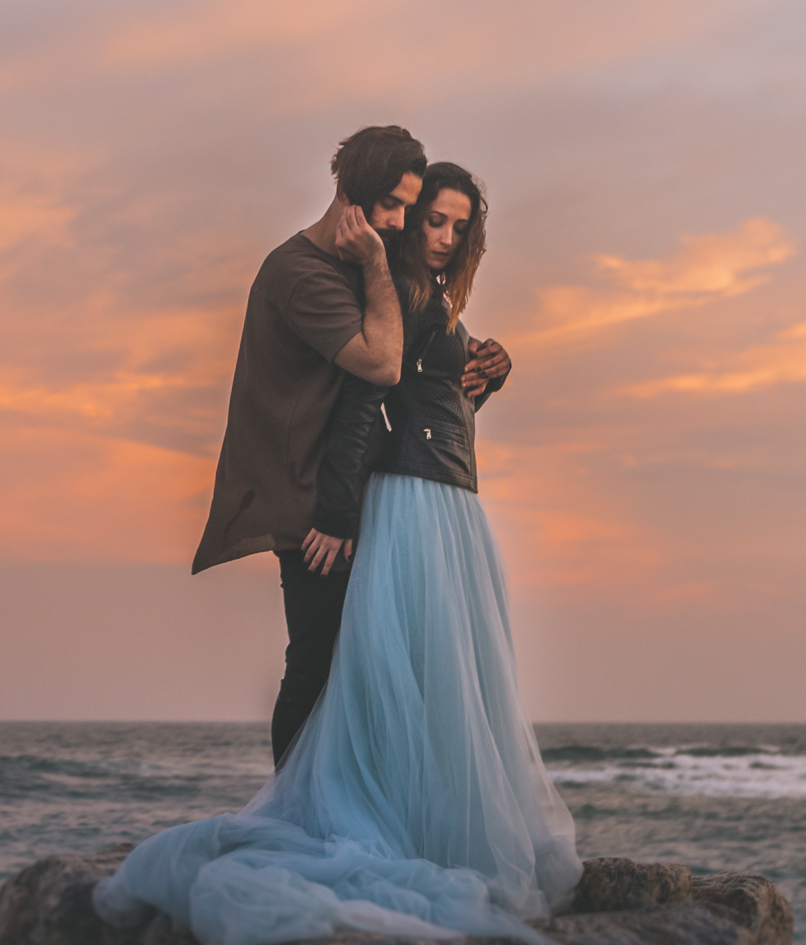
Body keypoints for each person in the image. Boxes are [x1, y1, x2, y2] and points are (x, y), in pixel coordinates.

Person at [95, 162, 579, 945]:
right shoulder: (397, 297)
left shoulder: (430, 304)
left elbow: (437, 405)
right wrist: (338, 514)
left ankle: (405, 826)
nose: (447, 238)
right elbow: (365, 403)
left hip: (448, 499)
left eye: (461, 227)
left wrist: (489, 373)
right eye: (434, 220)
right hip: (413, 502)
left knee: (431, 678)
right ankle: (330, 818)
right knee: (387, 672)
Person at [190, 125, 424, 769]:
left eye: (409, 206)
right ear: (350, 196)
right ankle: (291, 811)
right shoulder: (301, 273)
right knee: (316, 663)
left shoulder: (348, 268)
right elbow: (381, 364)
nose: (401, 222)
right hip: (309, 503)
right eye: (391, 206)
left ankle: (333, 802)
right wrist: (378, 264)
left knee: (352, 659)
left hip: (336, 492)